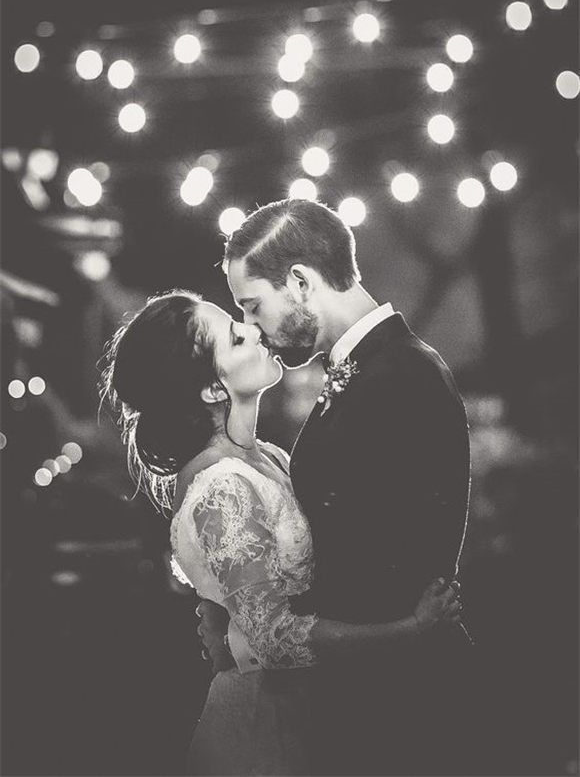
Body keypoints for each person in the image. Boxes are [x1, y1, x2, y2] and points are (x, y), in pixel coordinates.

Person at [100, 288, 463, 776]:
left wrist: (222, 624)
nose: (253, 328)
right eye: (234, 336)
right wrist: (409, 631)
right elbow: (272, 639)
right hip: (264, 727)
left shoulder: (266, 457)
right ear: (212, 389)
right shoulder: (222, 488)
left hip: (312, 713)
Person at [198, 198, 473, 775]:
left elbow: (379, 560)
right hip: (364, 687)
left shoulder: (402, 373)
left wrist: (264, 630)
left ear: (300, 281)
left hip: (394, 702)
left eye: (253, 305)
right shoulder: (365, 369)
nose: (252, 326)